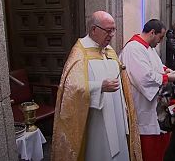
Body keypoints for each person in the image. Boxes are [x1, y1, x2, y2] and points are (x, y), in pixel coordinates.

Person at [51, 11, 142, 161]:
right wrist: (99, 86)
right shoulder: (80, 53)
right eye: (108, 30)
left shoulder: (110, 51)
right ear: (94, 29)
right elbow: (70, 89)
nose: (112, 34)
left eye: (114, 30)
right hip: (95, 120)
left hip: (117, 116)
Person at [120, 19, 175, 161]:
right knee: (149, 152)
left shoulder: (147, 47)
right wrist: (167, 78)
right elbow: (144, 78)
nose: (161, 41)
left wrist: (166, 69)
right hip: (143, 106)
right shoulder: (133, 49)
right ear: (152, 32)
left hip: (155, 107)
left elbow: (155, 65)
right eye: (160, 37)